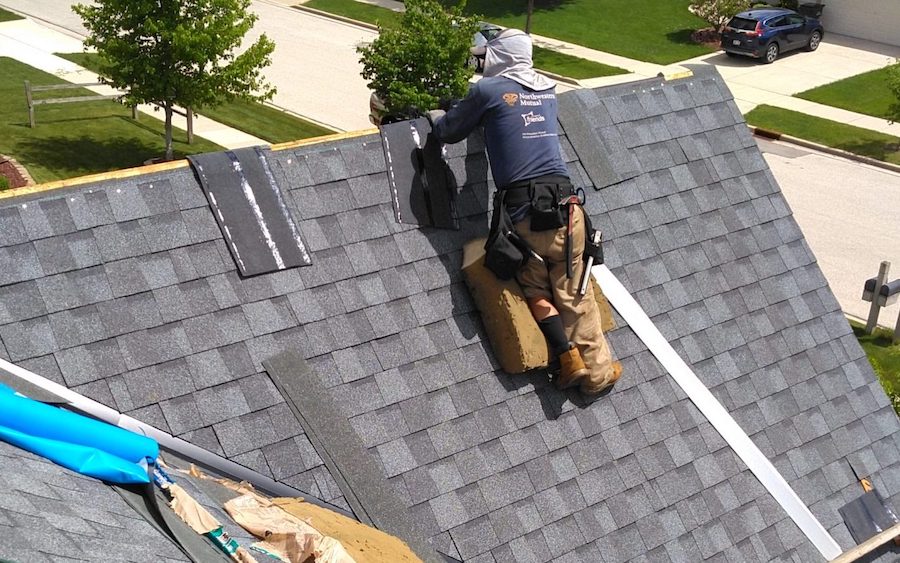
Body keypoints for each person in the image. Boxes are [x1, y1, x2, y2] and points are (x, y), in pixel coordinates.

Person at [427, 29, 620, 397]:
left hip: (527, 215)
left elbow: (451, 130)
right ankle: (597, 370)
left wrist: (438, 114)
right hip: (569, 211)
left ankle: (573, 363)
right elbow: (513, 113)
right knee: (574, 295)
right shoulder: (547, 90)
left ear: (498, 55)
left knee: (534, 286)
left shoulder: (487, 91)